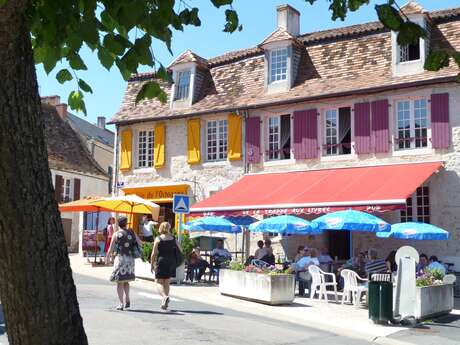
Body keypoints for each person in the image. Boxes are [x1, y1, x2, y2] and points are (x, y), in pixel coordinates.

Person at [106, 216, 142, 310]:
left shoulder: (116, 234)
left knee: (119, 282)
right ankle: (128, 298)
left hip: (120, 259)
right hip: (130, 259)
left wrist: (107, 258)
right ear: (126, 223)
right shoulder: (132, 232)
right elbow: (140, 243)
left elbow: (111, 248)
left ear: (118, 224)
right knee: (126, 280)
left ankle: (121, 303)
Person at [151, 221, 180, 310]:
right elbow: (180, 249)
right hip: (171, 262)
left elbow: (154, 253)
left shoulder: (158, 238)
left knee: (158, 282)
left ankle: (164, 297)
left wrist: (152, 264)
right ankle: (164, 303)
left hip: (161, 261)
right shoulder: (173, 238)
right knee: (167, 282)